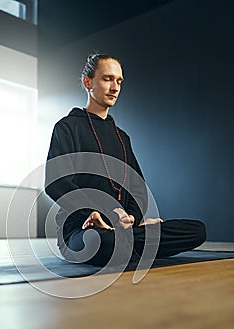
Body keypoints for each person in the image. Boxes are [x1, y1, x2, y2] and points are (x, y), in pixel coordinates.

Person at [45, 53, 206, 267]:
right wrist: (96, 212)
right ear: (87, 82)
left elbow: (137, 188)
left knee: (197, 230)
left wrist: (132, 218)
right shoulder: (67, 127)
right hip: (81, 228)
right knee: (101, 240)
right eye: (107, 79)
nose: (115, 87)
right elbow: (56, 182)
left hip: (122, 228)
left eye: (119, 81)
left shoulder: (122, 137)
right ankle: (132, 244)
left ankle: (128, 242)